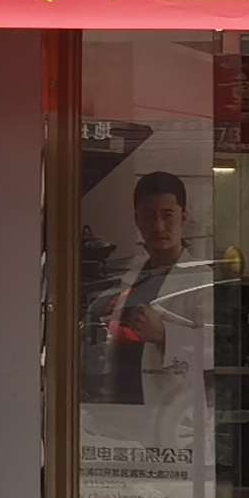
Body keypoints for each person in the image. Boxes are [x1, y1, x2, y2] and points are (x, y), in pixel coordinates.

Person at [88, 170, 204, 406]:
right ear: (137, 219)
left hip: (170, 409)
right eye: (149, 215)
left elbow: (219, 347)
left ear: (184, 217)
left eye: (167, 215)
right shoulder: (132, 275)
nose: (158, 226)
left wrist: (164, 335)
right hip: (118, 405)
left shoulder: (202, 280)